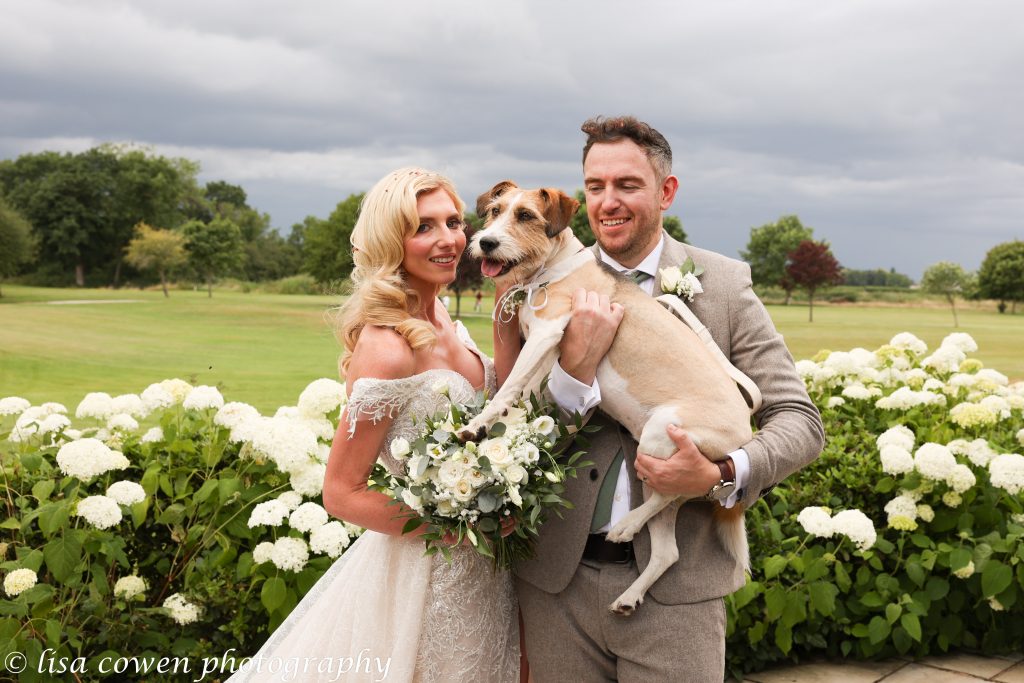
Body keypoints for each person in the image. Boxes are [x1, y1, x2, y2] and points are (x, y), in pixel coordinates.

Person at [514, 116, 826, 682]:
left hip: (678, 600)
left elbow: (800, 421)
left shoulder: (724, 285)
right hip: (557, 587)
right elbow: (512, 437)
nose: (607, 202)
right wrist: (576, 372)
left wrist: (720, 471)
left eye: (627, 185)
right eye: (594, 186)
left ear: (666, 191)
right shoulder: (538, 289)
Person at [227, 167, 525, 682]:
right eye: (424, 227)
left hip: (490, 570)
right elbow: (341, 492)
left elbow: (501, 403)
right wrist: (458, 525)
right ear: (393, 241)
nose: (450, 239)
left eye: (454, 222)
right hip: (429, 577)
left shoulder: (445, 318)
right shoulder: (388, 348)